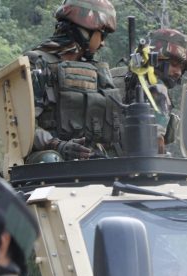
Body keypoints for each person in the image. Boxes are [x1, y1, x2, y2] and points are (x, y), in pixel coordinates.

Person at [26, 0, 122, 162]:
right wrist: (58, 146)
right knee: (51, 159)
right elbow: (22, 127)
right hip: (47, 158)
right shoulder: (37, 64)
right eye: (102, 34)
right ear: (85, 31)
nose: (103, 43)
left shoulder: (97, 71)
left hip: (88, 157)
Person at [148, 28, 187, 152]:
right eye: (174, 65)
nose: (178, 73)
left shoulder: (116, 75)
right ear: (157, 60)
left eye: (182, 69)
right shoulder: (159, 90)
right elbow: (155, 146)